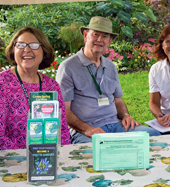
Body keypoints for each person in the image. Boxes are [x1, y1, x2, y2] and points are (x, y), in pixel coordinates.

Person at [0, 27, 70, 187]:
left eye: (34, 45)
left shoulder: (51, 85)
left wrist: (60, 153)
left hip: (46, 160)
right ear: (13, 50)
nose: (27, 50)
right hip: (4, 162)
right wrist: (34, 154)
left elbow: (63, 130)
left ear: (44, 50)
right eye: (20, 45)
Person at [56, 16, 160, 144]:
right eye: (95, 34)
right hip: (85, 131)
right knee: (95, 152)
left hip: (116, 126)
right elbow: (63, 109)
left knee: (153, 136)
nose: (99, 40)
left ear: (109, 41)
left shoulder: (110, 66)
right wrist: (87, 129)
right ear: (85, 35)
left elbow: (118, 101)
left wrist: (126, 116)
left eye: (104, 36)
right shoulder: (68, 67)